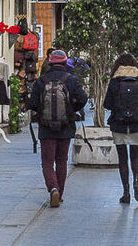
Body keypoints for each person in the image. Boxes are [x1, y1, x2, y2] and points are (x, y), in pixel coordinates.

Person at [26, 48, 88, 208]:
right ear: (65, 62)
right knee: (61, 161)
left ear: (50, 62)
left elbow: (32, 103)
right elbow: (83, 98)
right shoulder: (71, 80)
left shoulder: (41, 81)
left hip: (46, 127)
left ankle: (53, 188)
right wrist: (71, 109)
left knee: (47, 162)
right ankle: (59, 195)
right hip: (65, 127)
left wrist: (40, 111)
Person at [104, 52, 138, 204]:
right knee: (135, 157)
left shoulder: (114, 81)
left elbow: (107, 104)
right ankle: (136, 183)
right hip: (137, 124)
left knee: (122, 158)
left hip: (118, 124)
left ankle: (126, 192)